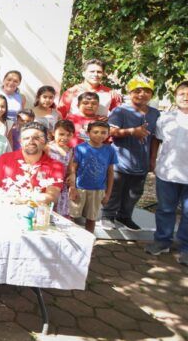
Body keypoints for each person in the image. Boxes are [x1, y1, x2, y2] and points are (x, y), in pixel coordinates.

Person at [101, 74, 160, 230]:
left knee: (135, 192)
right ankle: (107, 215)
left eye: (147, 91)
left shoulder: (155, 114)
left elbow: (155, 138)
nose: (142, 94)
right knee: (115, 189)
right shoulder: (120, 111)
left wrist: (152, 158)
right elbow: (110, 131)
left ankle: (125, 216)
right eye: (137, 90)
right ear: (130, 92)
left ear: (152, 94)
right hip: (119, 160)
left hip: (142, 161)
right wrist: (132, 131)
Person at [148, 81, 188, 264]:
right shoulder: (166, 118)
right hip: (167, 172)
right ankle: (162, 241)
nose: (185, 97)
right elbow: (156, 140)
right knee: (165, 209)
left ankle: (185, 247)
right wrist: (153, 160)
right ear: (175, 95)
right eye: (182, 93)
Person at [0, 122, 65, 205]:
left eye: (36, 138)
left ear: (45, 142)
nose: (31, 141)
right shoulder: (5, 158)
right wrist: (1, 193)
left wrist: (25, 198)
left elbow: (52, 196)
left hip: (35, 214)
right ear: (20, 141)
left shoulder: (56, 166)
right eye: (26, 138)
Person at [69, 121, 117, 232]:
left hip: (98, 190)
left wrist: (108, 194)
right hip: (80, 189)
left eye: (103, 132)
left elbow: (110, 173)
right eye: (95, 132)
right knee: (73, 216)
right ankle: (71, 242)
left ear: (108, 134)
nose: (99, 135)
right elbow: (73, 169)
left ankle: (89, 242)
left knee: (92, 218)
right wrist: (73, 188)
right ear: (88, 133)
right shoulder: (80, 148)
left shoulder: (110, 150)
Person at [47, 120, 75, 217]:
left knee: (60, 216)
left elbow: (70, 169)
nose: (64, 138)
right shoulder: (48, 148)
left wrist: (72, 179)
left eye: (68, 135)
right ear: (53, 133)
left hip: (62, 188)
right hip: (49, 186)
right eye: (61, 134)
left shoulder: (70, 150)